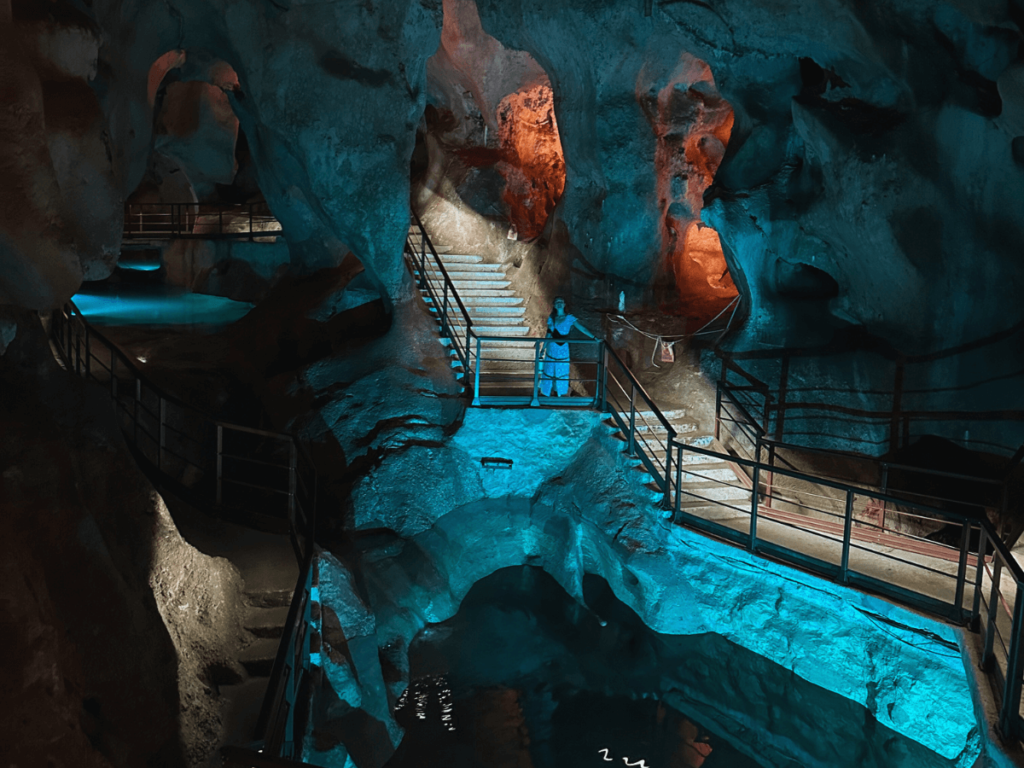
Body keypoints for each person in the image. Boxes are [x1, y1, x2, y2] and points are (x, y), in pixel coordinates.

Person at [540, 296, 597, 397]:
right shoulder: (552, 318)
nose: (559, 304)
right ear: (554, 305)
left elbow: (582, 328)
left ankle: (560, 392)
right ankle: (549, 392)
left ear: (564, 304)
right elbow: (548, 335)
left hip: (563, 348)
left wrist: (594, 337)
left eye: (561, 302)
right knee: (550, 368)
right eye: (557, 302)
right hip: (552, 347)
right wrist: (543, 348)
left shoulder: (569, 318)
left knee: (561, 369)